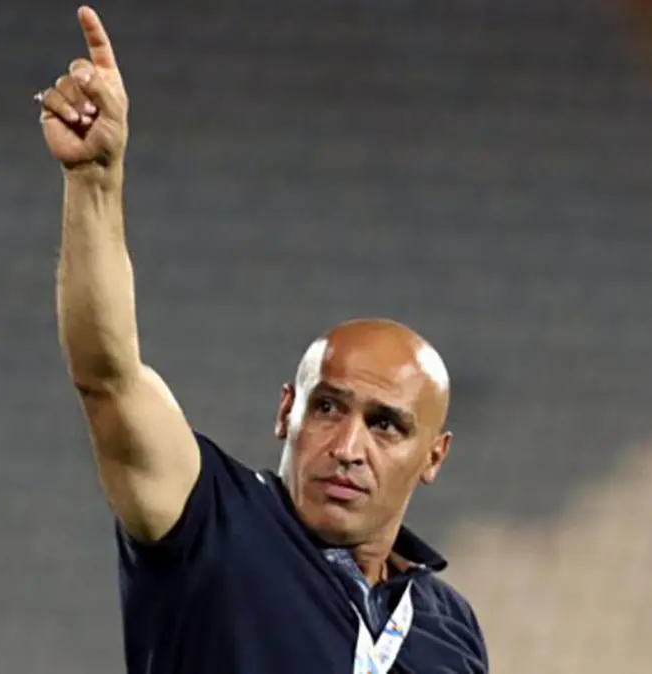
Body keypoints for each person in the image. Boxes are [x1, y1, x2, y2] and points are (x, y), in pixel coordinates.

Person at [35, 6, 489, 673]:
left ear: (434, 456)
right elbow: (108, 378)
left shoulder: (450, 631)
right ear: (286, 411)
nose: (348, 448)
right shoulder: (214, 521)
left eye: (386, 425)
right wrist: (95, 182)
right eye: (327, 407)